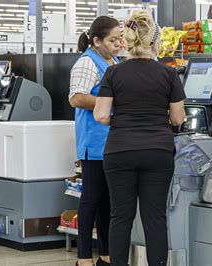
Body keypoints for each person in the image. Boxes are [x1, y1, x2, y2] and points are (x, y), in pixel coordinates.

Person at [94, 10, 186, 266]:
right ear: (155, 42)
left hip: (119, 150)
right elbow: (178, 118)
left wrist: (122, 120)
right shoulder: (169, 75)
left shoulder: (113, 73)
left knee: (120, 216)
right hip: (158, 150)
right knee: (154, 217)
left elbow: (101, 115)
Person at [68, 16, 121, 266]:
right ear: (97, 40)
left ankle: (106, 255)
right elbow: (77, 98)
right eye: (113, 39)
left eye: (120, 38)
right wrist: (109, 104)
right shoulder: (87, 63)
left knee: (107, 201)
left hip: (113, 142)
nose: (118, 43)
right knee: (90, 199)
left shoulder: (113, 61)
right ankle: (83, 257)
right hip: (94, 142)